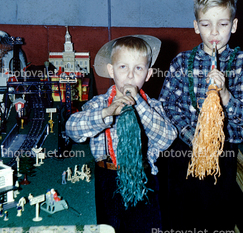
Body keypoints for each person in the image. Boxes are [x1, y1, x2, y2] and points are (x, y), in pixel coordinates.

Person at [159, 0, 243, 231]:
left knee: (217, 218)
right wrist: (196, 137)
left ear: (233, 26)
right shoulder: (181, 62)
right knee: (180, 217)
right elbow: (168, 106)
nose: (214, 33)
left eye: (222, 25)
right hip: (184, 152)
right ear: (195, 26)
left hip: (222, 154)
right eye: (206, 25)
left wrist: (224, 94)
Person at [66, 35, 177, 233]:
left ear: (148, 74)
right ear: (111, 70)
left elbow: (167, 138)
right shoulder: (99, 104)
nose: (130, 76)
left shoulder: (153, 107)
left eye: (138, 68)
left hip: (143, 180)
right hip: (106, 180)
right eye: (123, 67)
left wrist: (140, 105)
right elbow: (72, 130)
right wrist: (106, 113)